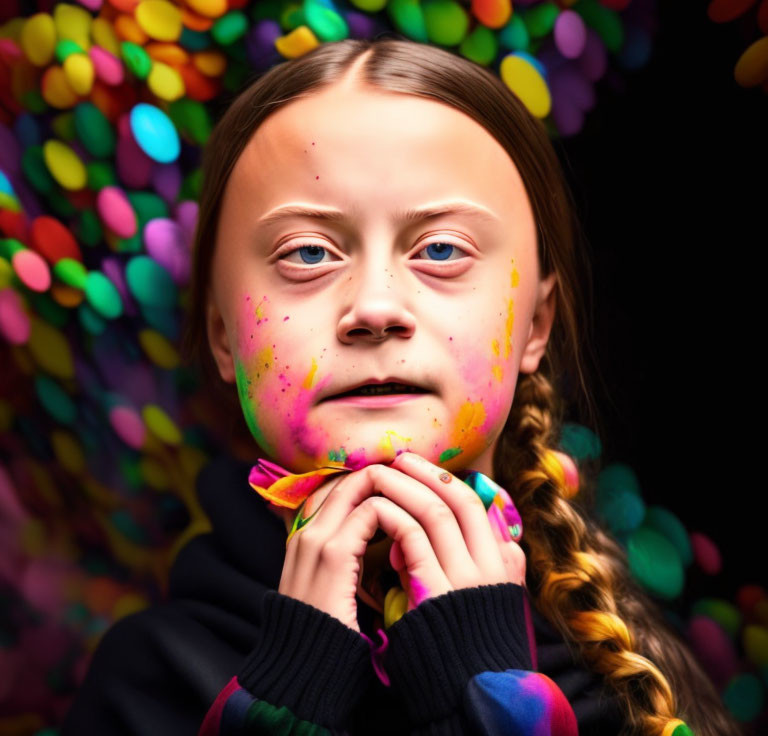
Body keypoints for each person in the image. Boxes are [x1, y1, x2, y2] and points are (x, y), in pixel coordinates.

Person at [60, 37, 740, 736]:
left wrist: (488, 699)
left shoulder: (625, 690)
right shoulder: (146, 683)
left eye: (441, 249)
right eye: (307, 254)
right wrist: (286, 700)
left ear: (535, 324)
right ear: (225, 335)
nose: (375, 307)